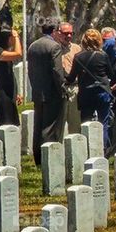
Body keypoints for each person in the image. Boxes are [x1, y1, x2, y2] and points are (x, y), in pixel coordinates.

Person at [66, 29, 113, 150]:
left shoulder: (78, 57)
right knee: (104, 122)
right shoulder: (103, 55)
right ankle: (104, 149)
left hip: (86, 93)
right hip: (102, 91)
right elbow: (110, 73)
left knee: (86, 122)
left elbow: (71, 77)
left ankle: (87, 148)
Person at [27, 20, 66, 166]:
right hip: (52, 92)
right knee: (50, 128)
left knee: (38, 126)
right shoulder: (54, 46)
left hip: (38, 92)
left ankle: (38, 157)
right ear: (55, 31)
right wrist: (62, 89)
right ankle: (48, 158)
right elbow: (57, 71)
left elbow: (30, 70)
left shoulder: (33, 46)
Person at [0, 11, 22, 128]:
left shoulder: (4, 52)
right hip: (2, 95)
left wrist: (16, 92)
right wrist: (16, 36)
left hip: (9, 92)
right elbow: (18, 53)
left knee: (12, 125)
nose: (12, 41)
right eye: (10, 38)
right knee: (5, 125)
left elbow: (10, 74)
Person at [57, 21, 82, 134]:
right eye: (66, 33)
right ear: (58, 33)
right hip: (60, 89)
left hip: (74, 89)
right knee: (59, 123)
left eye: (71, 33)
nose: (69, 36)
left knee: (75, 123)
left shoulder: (77, 49)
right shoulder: (54, 48)